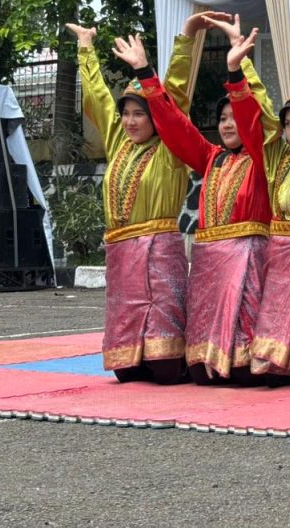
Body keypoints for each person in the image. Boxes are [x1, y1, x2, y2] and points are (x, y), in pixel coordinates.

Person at [116, 15, 269, 386]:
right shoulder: (209, 157)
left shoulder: (265, 157)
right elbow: (172, 122)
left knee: (243, 371)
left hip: (246, 265)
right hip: (207, 268)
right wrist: (146, 73)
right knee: (201, 373)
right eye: (222, 118)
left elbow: (253, 121)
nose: (228, 124)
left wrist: (236, 73)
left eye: (234, 117)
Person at [202, 15, 290, 388]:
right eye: (289, 124)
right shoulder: (277, 158)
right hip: (280, 252)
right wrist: (239, 66)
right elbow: (260, 110)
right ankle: (284, 364)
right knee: (279, 316)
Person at [66, 22, 196, 384]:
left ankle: (185, 357)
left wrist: (184, 40)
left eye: (140, 113)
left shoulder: (170, 148)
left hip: (158, 252)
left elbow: (177, 98)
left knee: (166, 369)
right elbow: (97, 97)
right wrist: (87, 48)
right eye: (127, 114)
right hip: (122, 254)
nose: (130, 121)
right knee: (127, 371)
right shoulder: (119, 142)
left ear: (156, 117)